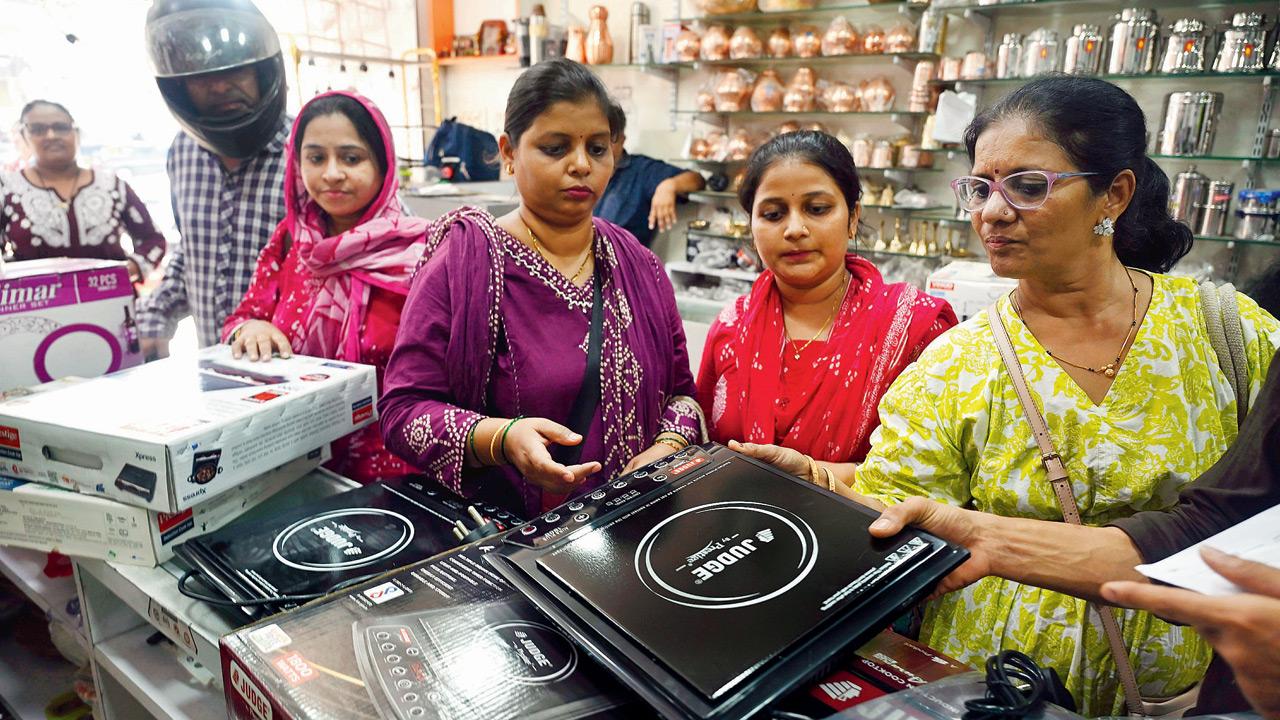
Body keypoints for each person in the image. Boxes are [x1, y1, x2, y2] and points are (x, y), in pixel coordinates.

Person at [738, 76, 1280, 714]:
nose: (991, 212)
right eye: (980, 188)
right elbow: (899, 504)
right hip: (998, 685)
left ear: (1115, 193)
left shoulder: (1224, 330)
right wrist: (818, 481)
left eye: (1027, 186)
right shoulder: (958, 364)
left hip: (1194, 683)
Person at [867, 357, 1280, 717]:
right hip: (982, 676)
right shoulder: (953, 360)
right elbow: (1216, 524)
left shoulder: (1224, 326)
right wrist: (985, 538)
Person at [380, 58, 703, 517]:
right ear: (509, 152)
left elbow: (682, 394)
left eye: (597, 148)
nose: (580, 165)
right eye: (555, 148)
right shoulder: (467, 260)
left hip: (637, 527)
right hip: (518, 546)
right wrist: (501, 438)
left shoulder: (639, 264)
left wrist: (667, 447)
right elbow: (402, 412)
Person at [696, 131, 955, 480]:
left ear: (852, 217)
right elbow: (706, 452)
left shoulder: (914, 329)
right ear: (751, 227)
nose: (795, 229)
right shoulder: (732, 327)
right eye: (773, 214)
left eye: (817, 209)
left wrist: (818, 476)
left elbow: (937, 474)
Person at [221, 91, 425, 484]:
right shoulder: (290, 242)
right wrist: (251, 329)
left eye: (351, 158)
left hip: (394, 471)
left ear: (383, 164)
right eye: (316, 158)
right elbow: (243, 318)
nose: (331, 173)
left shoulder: (421, 253)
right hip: (293, 465)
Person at [136, 0, 291, 357]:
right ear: (179, 86)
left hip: (299, 369)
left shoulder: (312, 153)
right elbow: (193, 253)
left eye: (235, 72)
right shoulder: (183, 154)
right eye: (200, 76)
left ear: (262, 71)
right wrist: (154, 319)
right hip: (216, 370)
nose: (219, 87)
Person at [1, 100, 166, 280]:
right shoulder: (7, 188)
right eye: (38, 129)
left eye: (61, 127)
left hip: (109, 302)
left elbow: (153, 240)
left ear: (76, 133)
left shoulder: (111, 185)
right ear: (25, 136)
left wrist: (127, 271)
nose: (51, 135)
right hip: (35, 303)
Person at [593, 103, 704, 247]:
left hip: (625, 264)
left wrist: (669, 185)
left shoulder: (642, 171)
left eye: (609, 138)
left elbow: (697, 179)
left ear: (622, 139)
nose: (601, 146)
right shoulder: (581, 169)